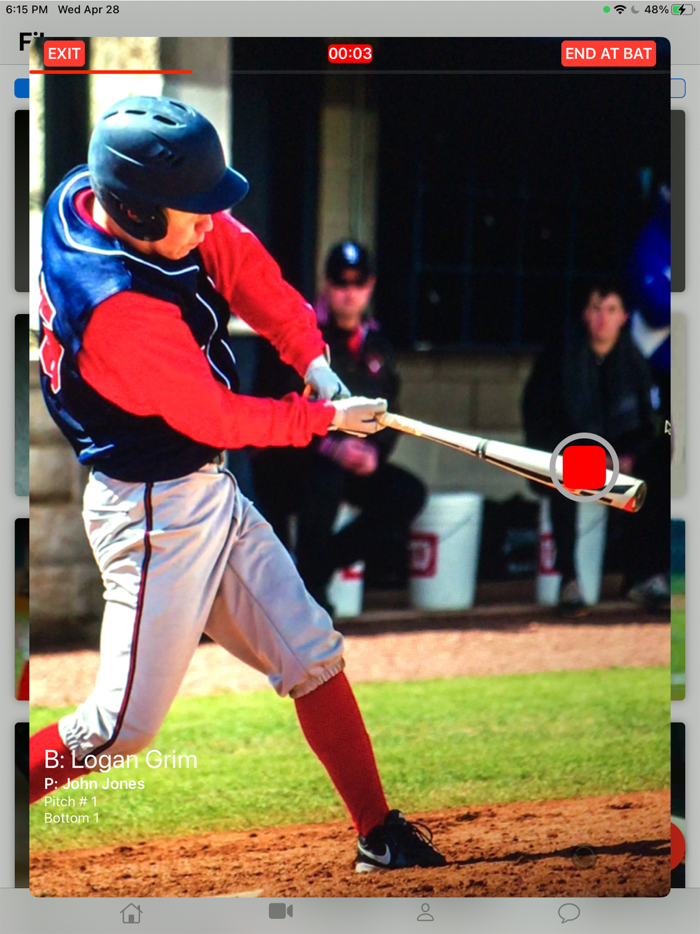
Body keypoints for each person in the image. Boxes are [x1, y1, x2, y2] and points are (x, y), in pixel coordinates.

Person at [29, 96, 445, 874]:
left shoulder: (90, 190)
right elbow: (216, 417)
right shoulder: (114, 304)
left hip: (201, 490)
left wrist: (317, 366)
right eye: (191, 212)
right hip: (152, 511)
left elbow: (243, 264)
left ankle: (377, 832)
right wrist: (322, 420)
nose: (207, 222)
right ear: (136, 211)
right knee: (120, 728)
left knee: (312, 651)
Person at [252, 240, 426, 613]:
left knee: (407, 493)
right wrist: (332, 448)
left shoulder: (376, 343)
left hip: (352, 459)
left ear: (370, 286)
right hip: (294, 460)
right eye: (340, 283)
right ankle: (311, 590)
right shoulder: (302, 334)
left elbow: (389, 411)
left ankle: (317, 567)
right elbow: (275, 406)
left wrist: (374, 453)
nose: (349, 294)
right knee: (326, 476)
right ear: (326, 284)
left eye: (357, 284)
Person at [522, 284, 658, 618]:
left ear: (624, 317)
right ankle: (570, 580)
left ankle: (644, 576)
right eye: (596, 309)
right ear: (585, 314)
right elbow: (538, 416)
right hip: (567, 457)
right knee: (566, 479)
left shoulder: (634, 362)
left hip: (620, 461)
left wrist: (630, 454)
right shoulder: (560, 358)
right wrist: (578, 454)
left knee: (660, 472)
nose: (602, 319)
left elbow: (651, 422)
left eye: (611, 310)